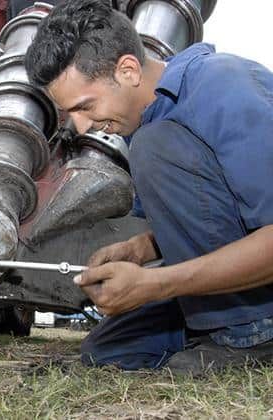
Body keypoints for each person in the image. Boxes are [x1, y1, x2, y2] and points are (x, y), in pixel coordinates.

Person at [25, 0, 273, 375]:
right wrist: (140, 249)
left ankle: (250, 335)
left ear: (127, 70)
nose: (79, 127)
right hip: (229, 290)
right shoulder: (146, 120)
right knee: (106, 352)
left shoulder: (224, 87)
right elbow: (220, 210)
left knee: (155, 145)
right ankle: (214, 329)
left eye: (85, 106)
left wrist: (156, 284)